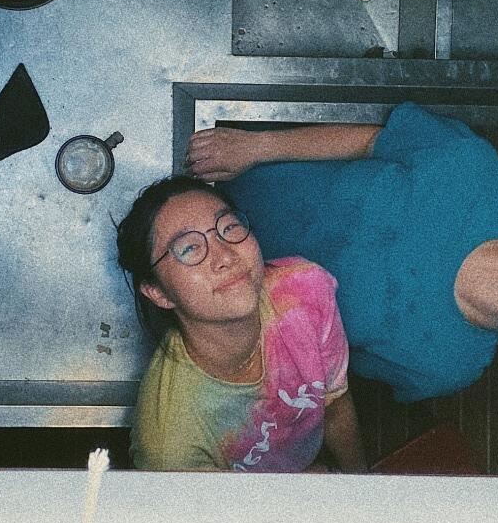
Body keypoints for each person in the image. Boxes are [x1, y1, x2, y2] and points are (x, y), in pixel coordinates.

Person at [185, 102, 498, 403]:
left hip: (194, 286)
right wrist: (255, 146)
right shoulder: (474, 171)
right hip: (215, 179)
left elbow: (321, 359)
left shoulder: (446, 370)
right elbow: (370, 142)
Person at [116, 175, 367, 473]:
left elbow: (335, 405)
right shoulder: (170, 444)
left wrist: (362, 485)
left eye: (229, 228)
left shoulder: (304, 290)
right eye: (189, 248)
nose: (225, 256)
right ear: (158, 293)